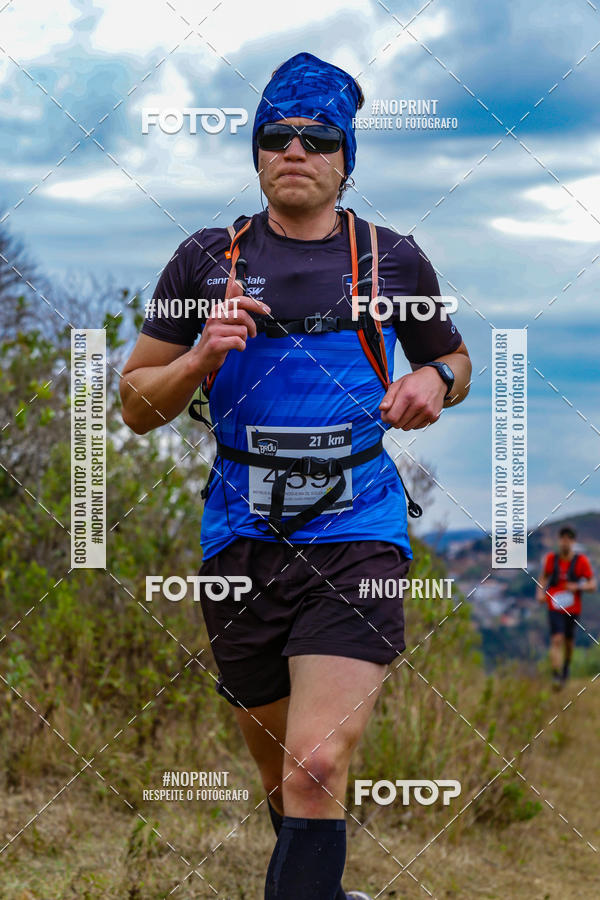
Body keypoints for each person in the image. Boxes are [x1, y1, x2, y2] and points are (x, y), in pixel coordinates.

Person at [120, 51, 471, 900]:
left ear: (347, 158)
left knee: (317, 763)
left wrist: (435, 382)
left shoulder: (394, 260)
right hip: (240, 537)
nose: (296, 150)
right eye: (278, 135)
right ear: (257, 150)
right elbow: (134, 404)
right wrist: (201, 352)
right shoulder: (204, 260)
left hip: (357, 530)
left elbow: (453, 361)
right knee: (286, 775)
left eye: (319, 139)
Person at [536, 524, 596, 689]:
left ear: (573, 542)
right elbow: (543, 578)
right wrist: (540, 593)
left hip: (573, 609)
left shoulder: (581, 561)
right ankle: (556, 676)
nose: (565, 543)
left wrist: (577, 587)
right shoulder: (551, 560)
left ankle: (565, 669)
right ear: (559, 541)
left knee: (569, 643)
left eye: (568, 539)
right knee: (556, 639)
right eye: (562, 539)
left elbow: (592, 585)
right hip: (554, 607)